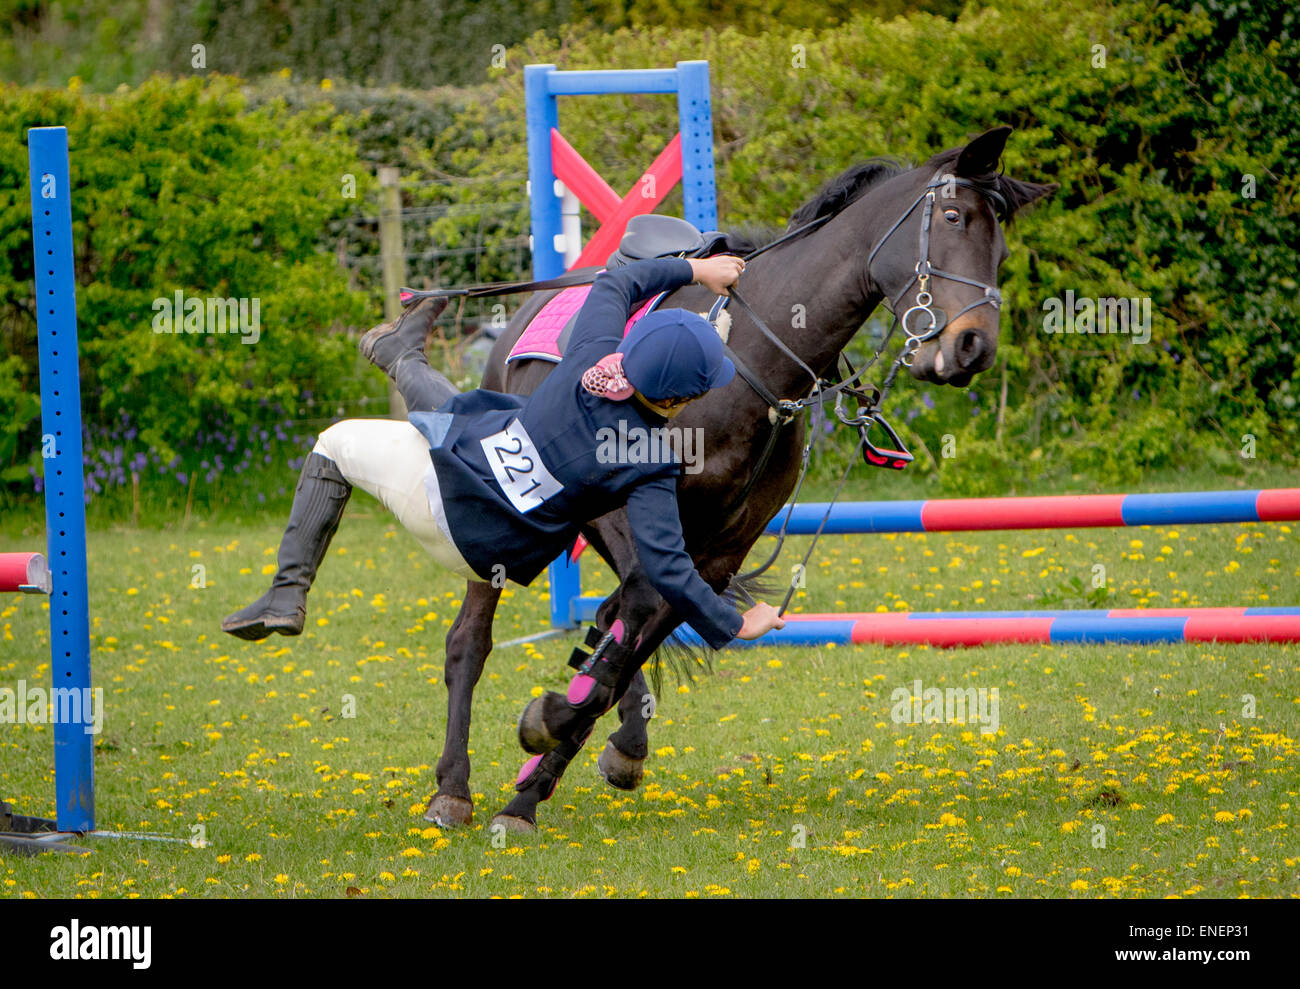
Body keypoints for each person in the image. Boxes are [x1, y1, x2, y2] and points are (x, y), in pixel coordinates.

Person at [221, 254, 786, 649]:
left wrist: (697, 270)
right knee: (471, 414)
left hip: (443, 494)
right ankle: (401, 353)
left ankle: (286, 592)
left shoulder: (590, 351)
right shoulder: (650, 460)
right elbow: (667, 568)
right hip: (490, 553)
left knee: (333, 443)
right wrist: (736, 623)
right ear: (680, 398)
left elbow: (618, 282)